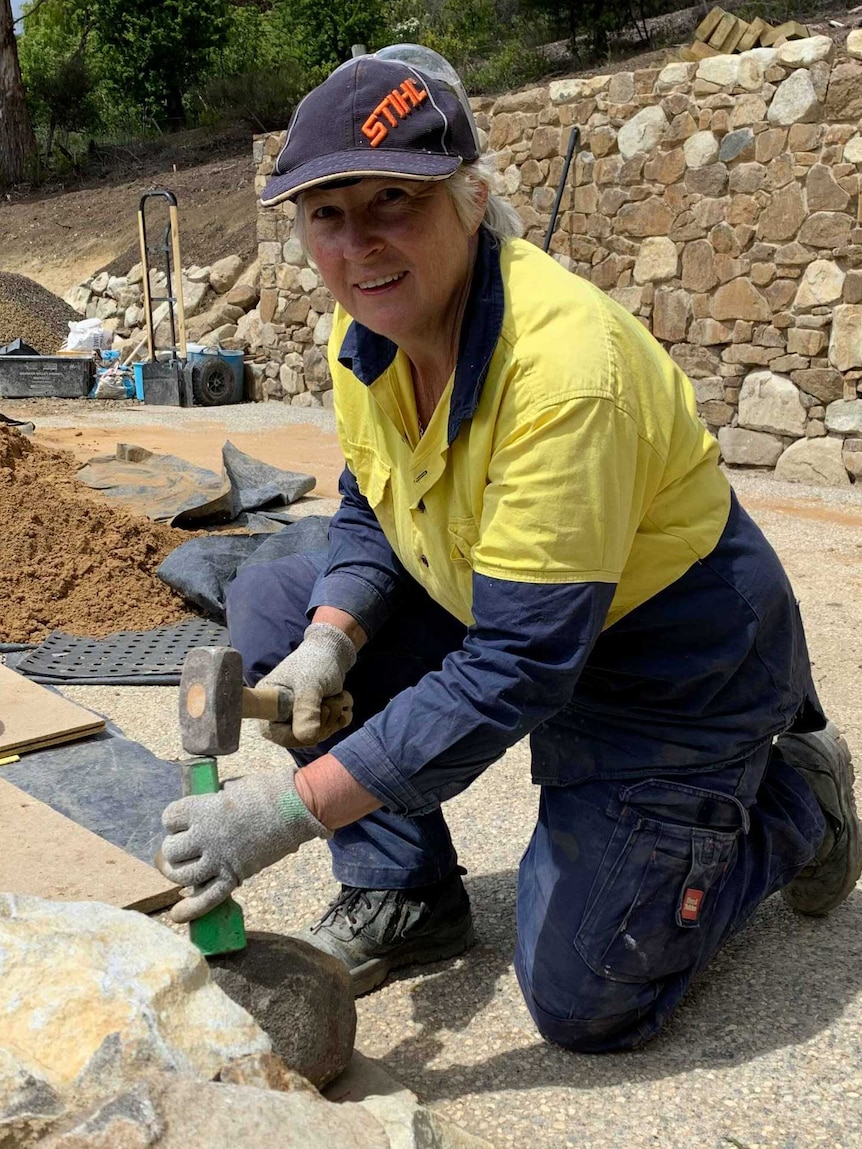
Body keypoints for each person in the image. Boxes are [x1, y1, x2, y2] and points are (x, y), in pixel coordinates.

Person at [157, 48, 862, 1053]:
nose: (356, 245)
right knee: (281, 597)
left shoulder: (563, 371)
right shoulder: (366, 332)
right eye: (325, 214)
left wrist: (285, 810)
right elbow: (370, 505)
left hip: (669, 658)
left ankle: (791, 798)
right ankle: (402, 892)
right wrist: (326, 644)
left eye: (391, 200)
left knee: (587, 995)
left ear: (468, 197)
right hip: (513, 609)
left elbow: (517, 667)